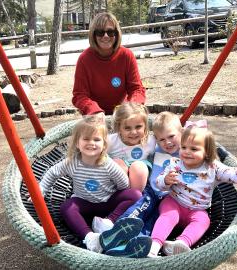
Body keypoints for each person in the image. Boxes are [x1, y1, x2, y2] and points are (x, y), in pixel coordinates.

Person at [148, 121, 237, 257]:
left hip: (197, 209)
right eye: (183, 147)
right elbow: (158, 182)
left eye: (194, 149)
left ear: (207, 152)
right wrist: (166, 180)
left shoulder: (213, 168)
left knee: (203, 221)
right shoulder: (175, 164)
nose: (187, 152)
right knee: (169, 216)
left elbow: (234, 175)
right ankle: (155, 244)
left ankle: (182, 243)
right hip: (174, 202)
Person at [33, 118, 150, 257]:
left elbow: (123, 184)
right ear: (77, 142)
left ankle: (108, 223)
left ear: (104, 144)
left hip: (108, 203)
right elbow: (52, 172)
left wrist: (113, 196)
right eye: (86, 139)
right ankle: (90, 237)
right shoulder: (72, 163)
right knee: (67, 207)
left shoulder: (108, 164)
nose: (91, 143)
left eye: (96, 140)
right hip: (85, 204)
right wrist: (41, 190)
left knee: (135, 195)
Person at [91, 102, 156, 234]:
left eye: (138, 127)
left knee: (139, 167)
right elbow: (95, 155)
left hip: (141, 177)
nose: (133, 132)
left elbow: (169, 147)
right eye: (127, 128)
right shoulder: (111, 141)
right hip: (119, 183)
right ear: (118, 128)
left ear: (145, 127)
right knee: (116, 163)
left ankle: (134, 203)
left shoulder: (151, 141)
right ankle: (119, 201)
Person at [119, 111, 183, 236]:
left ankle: (140, 239)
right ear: (156, 141)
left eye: (171, 136)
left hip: (172, 198)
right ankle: (120, 228)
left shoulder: (186, 151)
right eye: (162, 139)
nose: (167, 142)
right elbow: (136, 145)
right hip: (153, 191)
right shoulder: (156, 148)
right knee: (140, 208)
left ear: (182, 133)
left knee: (155, 219)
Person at [72, 12, 146, 119]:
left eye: (110, 32)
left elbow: (137, 89)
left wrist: (129, 108)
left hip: (122, 114)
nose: (105, 36)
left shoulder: (126, 55)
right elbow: (79, 95)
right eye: (100, 32)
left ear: (116, 34)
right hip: (94, 117)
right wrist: (93, 110)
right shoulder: (84, 59)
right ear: (93, 34)